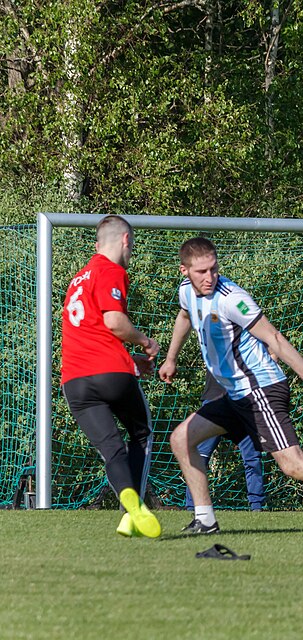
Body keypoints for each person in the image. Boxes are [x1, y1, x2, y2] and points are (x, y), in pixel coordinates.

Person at [159, 237, 303, 536]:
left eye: (213, 269)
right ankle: (205, 519)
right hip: (235, 394)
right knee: (180, 439)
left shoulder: (232, 299)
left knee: (292, 464)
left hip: (260, 391)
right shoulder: (187, 293)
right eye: (201, 271)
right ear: (184, 271)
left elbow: (275, 338)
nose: (209, 277)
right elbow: (185, 315)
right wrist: (171, 358)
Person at [60, 214, 162, 538]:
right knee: (142, 433)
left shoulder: (78, 278)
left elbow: (91, 330)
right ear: (126, 241)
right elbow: (115, 322)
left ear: (96, 244)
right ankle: (132, 511)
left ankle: (128, 509)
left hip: (74, 381)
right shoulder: (110, 270)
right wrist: (145, 342)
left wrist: (128, 357)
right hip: (110, 374)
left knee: (112, 450)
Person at [184, 371, 266, 512]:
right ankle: (192, 507)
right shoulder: (215, 349)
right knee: (200, 456)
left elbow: (272, 352)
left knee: (252, 458)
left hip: (244, 403)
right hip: (214, 400)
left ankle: (257, 506)